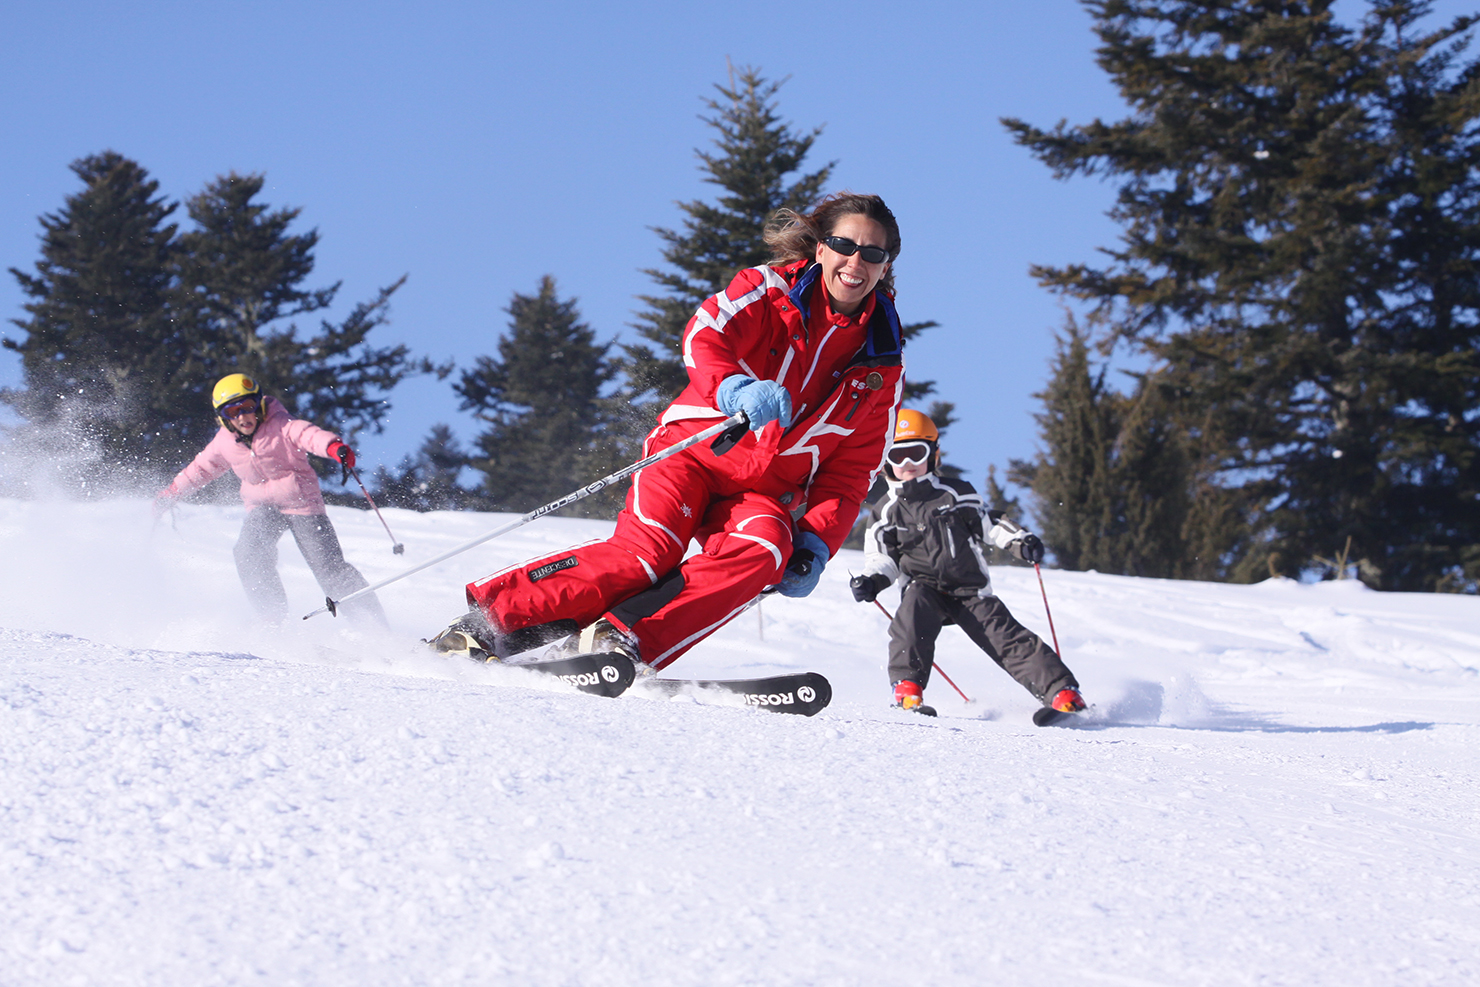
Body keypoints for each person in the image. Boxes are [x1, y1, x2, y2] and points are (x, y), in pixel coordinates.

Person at [430, 192, 906, 671]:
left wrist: (816, 542)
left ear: (885, 266)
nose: (855, 262)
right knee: (646, 556)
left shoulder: (882, 366)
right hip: (693, 453)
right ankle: (486, 625)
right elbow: (707, 332)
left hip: (761, 490)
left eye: (872, 253)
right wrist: (732, 387)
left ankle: (619, 640)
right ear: (821, 248)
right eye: (844, 245)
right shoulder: (767, 290)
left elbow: (852, 471)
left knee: (766, 547)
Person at [850, 409, 1085, 716]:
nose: (907, 463)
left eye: (916, 453)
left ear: (934, 454)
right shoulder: (885, 511)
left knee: (1006, 637)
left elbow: (990, 524)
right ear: (886, 462)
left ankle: (1063, 694)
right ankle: (907, 693)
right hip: (923, 587)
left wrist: (1020, 540)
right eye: (898, 456)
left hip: (969, 590)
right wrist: (871, 580)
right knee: (909, 622)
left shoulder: (956, 493)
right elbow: (882, 557)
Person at [155, 373, 388, 626]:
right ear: (223, 417)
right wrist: (171, 493)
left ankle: (373, 624)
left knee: (329, 567)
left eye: (247, 407)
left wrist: (334, 448)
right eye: (233, 411)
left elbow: (309, 435)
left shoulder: (282, 425)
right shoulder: (224, 442)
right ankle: (272, 618)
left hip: (302, 504)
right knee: (248, 553)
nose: (242, 416)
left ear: (259, 405)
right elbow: (201, 469)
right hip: (263, 507)